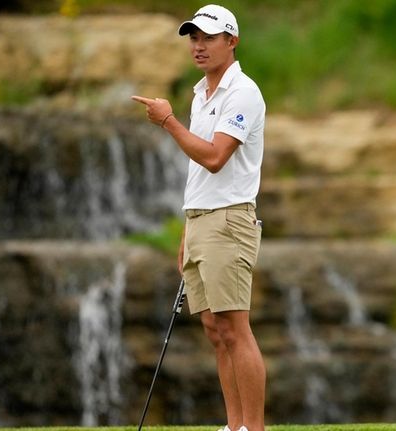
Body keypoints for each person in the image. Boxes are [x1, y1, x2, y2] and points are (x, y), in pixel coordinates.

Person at [131, 4, 266, 431]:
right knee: (213, 327)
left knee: (235, 326)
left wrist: (168, 122)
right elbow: (198, 173)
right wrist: (188, 230)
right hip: (203, 220)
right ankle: (234, 426)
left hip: (229, 220)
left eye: (208, 37)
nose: (199, 45)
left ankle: (254, 429)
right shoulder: (201, 93)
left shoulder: (242, 92)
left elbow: (214, 158)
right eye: (193, 37)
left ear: (232, 41)